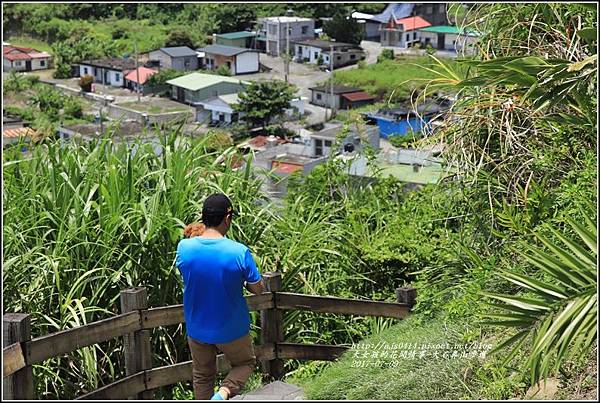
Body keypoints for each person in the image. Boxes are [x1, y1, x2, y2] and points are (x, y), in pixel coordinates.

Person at [176, 194, 265, 400]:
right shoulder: (239, 252)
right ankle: (223, 394)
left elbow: (190, 275)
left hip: (197, 326)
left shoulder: (184, 248)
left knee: (202, 375)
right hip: (231, 327)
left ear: (203, 216)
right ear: (227, 218)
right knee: (245, 363)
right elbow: (257, 289)